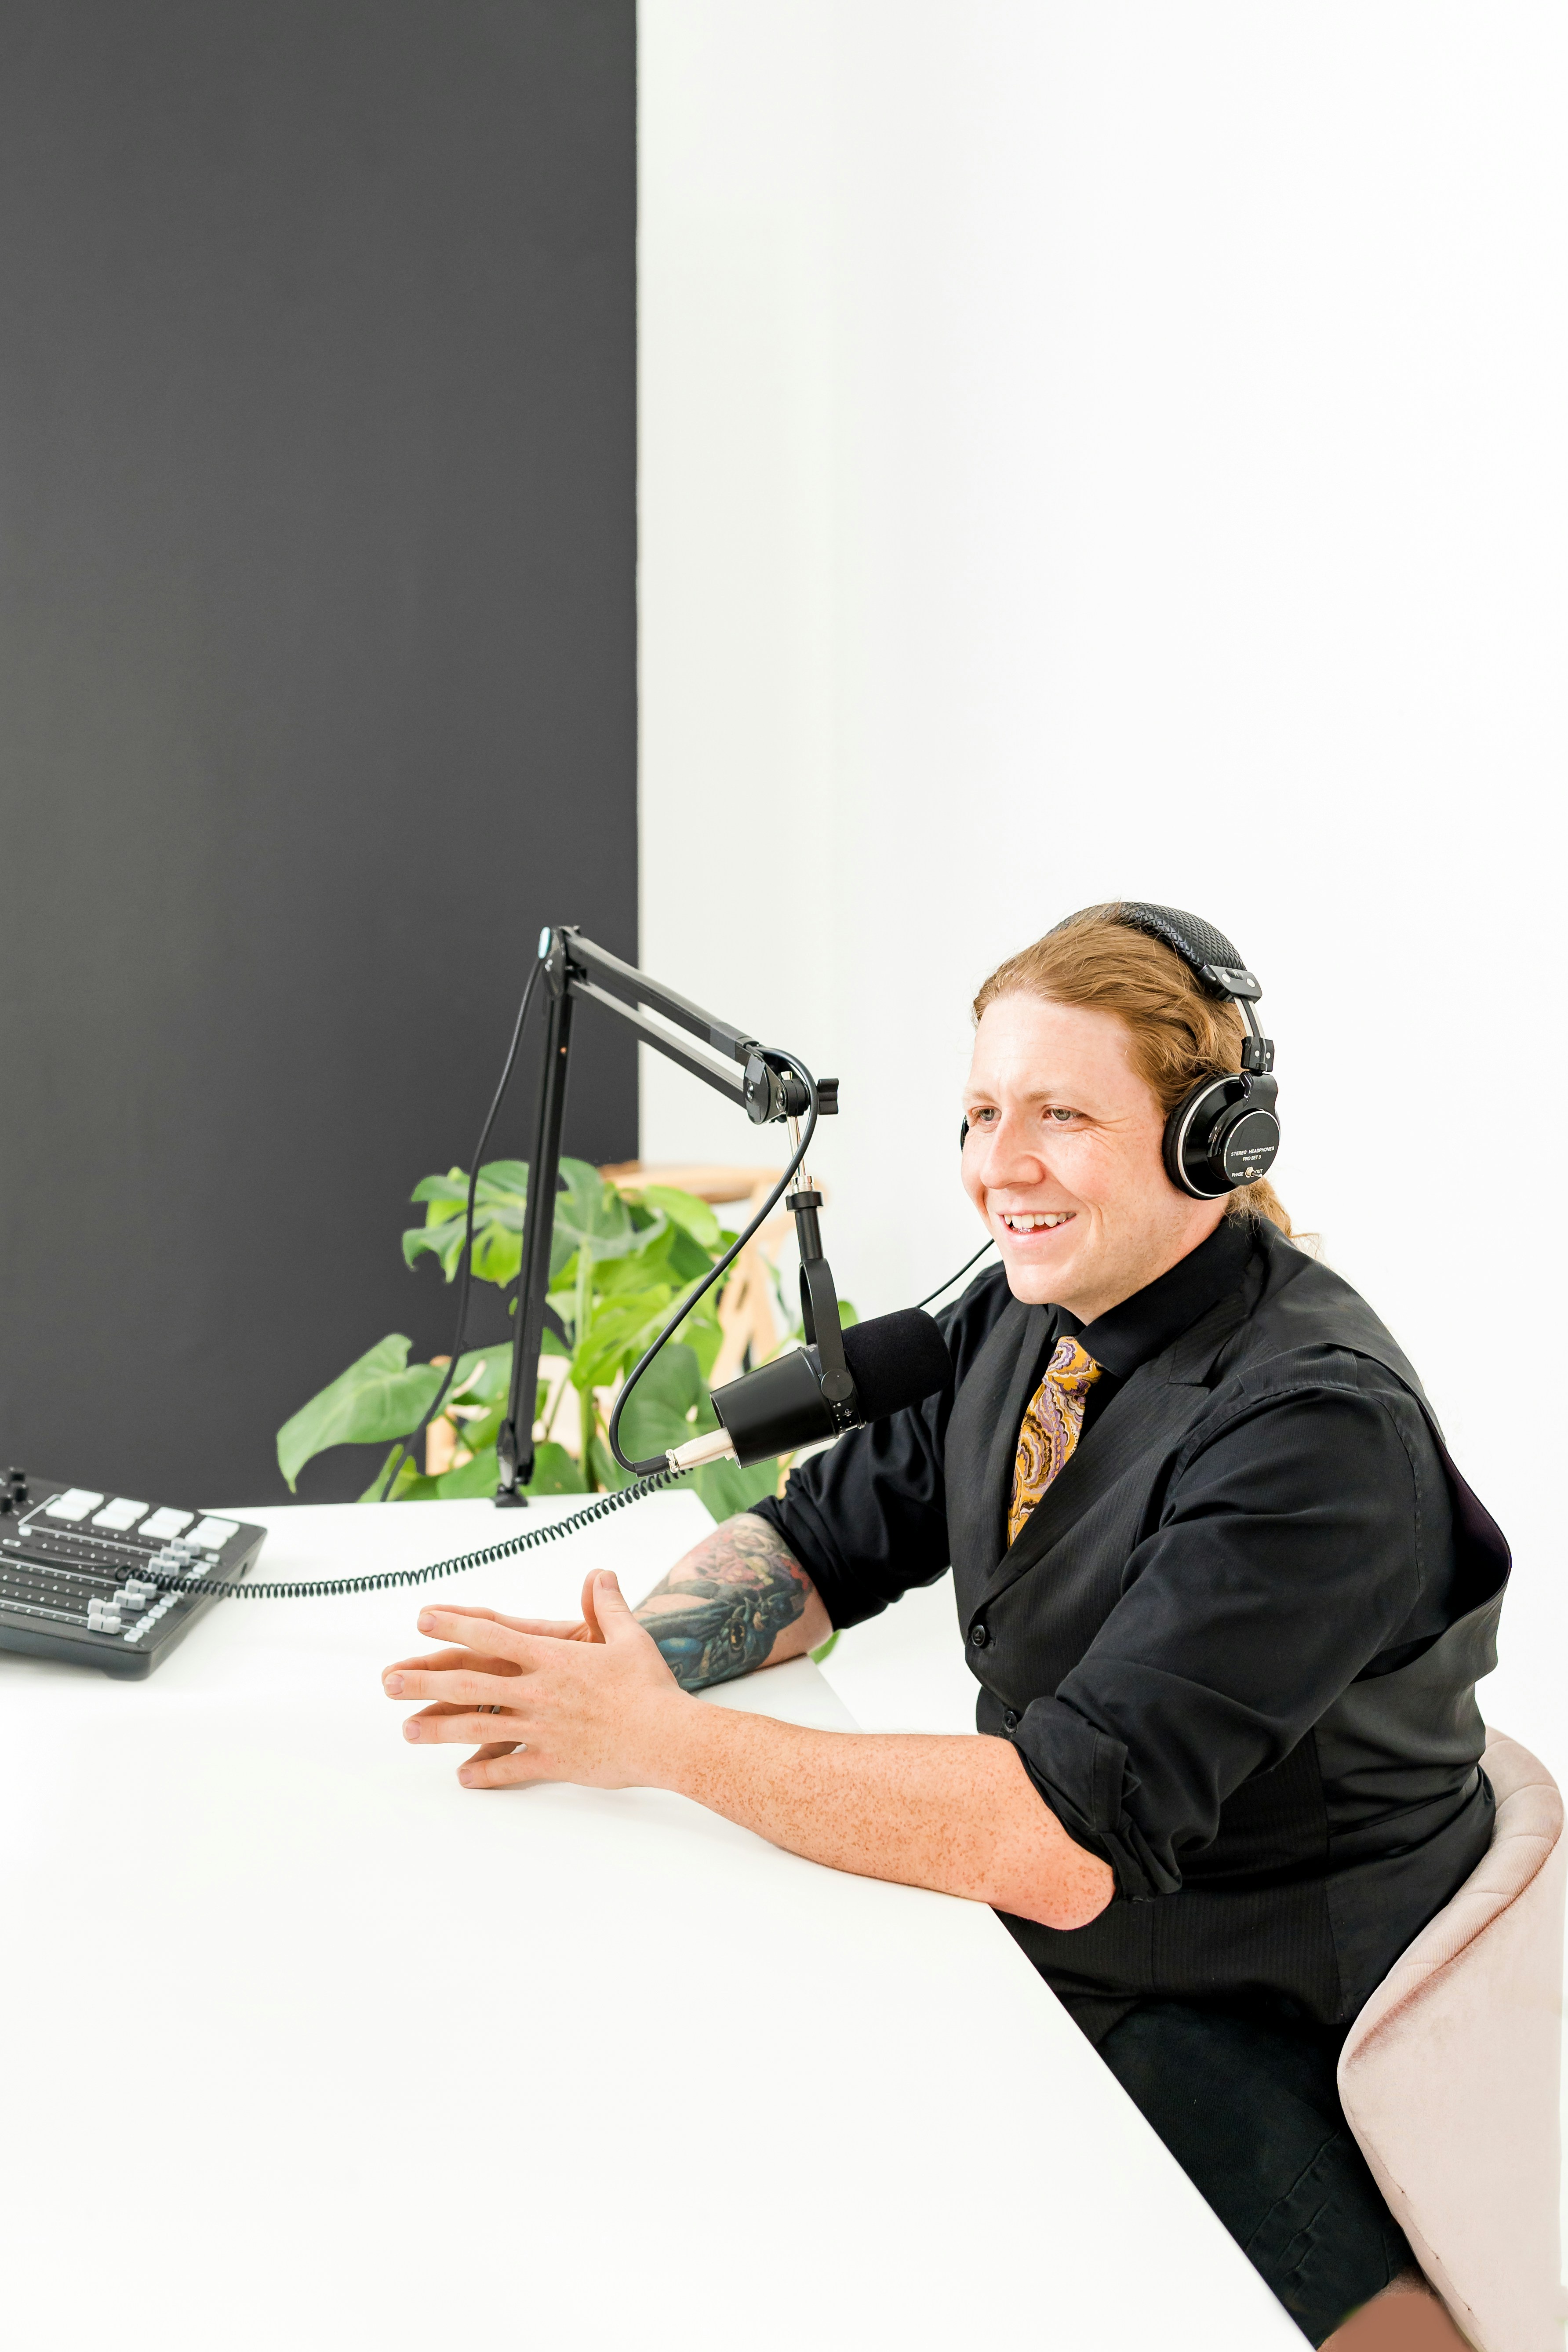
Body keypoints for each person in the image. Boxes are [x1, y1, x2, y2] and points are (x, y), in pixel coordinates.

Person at [381, 904, 1506, 2349]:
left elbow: (1059, 1837)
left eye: (1060, 1116)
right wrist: (616, 1667)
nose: (999, 1166)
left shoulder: (1313, 1433)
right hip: (1070, 1941)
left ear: (1214, 1139)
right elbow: (815, 1545)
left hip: (1254, 1999)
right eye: (981, 1111)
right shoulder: (1032, 1318)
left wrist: (658, 1742)